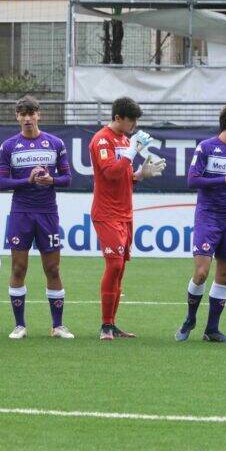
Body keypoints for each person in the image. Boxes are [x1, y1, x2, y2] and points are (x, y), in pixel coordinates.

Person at [0, 96, 74, 339]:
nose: (27, 118)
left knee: (53, 268)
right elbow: (0, 182)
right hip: (21, 213)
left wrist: (52, 180)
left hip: (47, 213)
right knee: (19, 268)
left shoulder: (55, 143)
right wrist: (26, 180)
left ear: (39, 114)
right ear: (17, 117)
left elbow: (68, 178)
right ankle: (20, 325)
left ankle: (57, 326)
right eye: (22, 113)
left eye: (31, 113)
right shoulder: (8, 146)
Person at [176, 105, 226, 343]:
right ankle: (190, 318)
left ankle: (212, 329)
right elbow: (192, 180)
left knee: (225, 273)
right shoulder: (207, 147)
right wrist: (225, 178)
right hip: (207, 216)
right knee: (201, 273)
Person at [89, 96, 166, 341]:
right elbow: (110, 173)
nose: (134, 124)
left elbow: (122, 175)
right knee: (114, 265)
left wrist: (140, 175)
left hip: (125, 212)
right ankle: (104, 325)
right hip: (106, 212)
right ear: (118, 118)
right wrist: (133, 151)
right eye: (131, 119)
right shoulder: (102, 139)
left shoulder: (123, 139)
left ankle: (112, 324)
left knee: (120, 269)